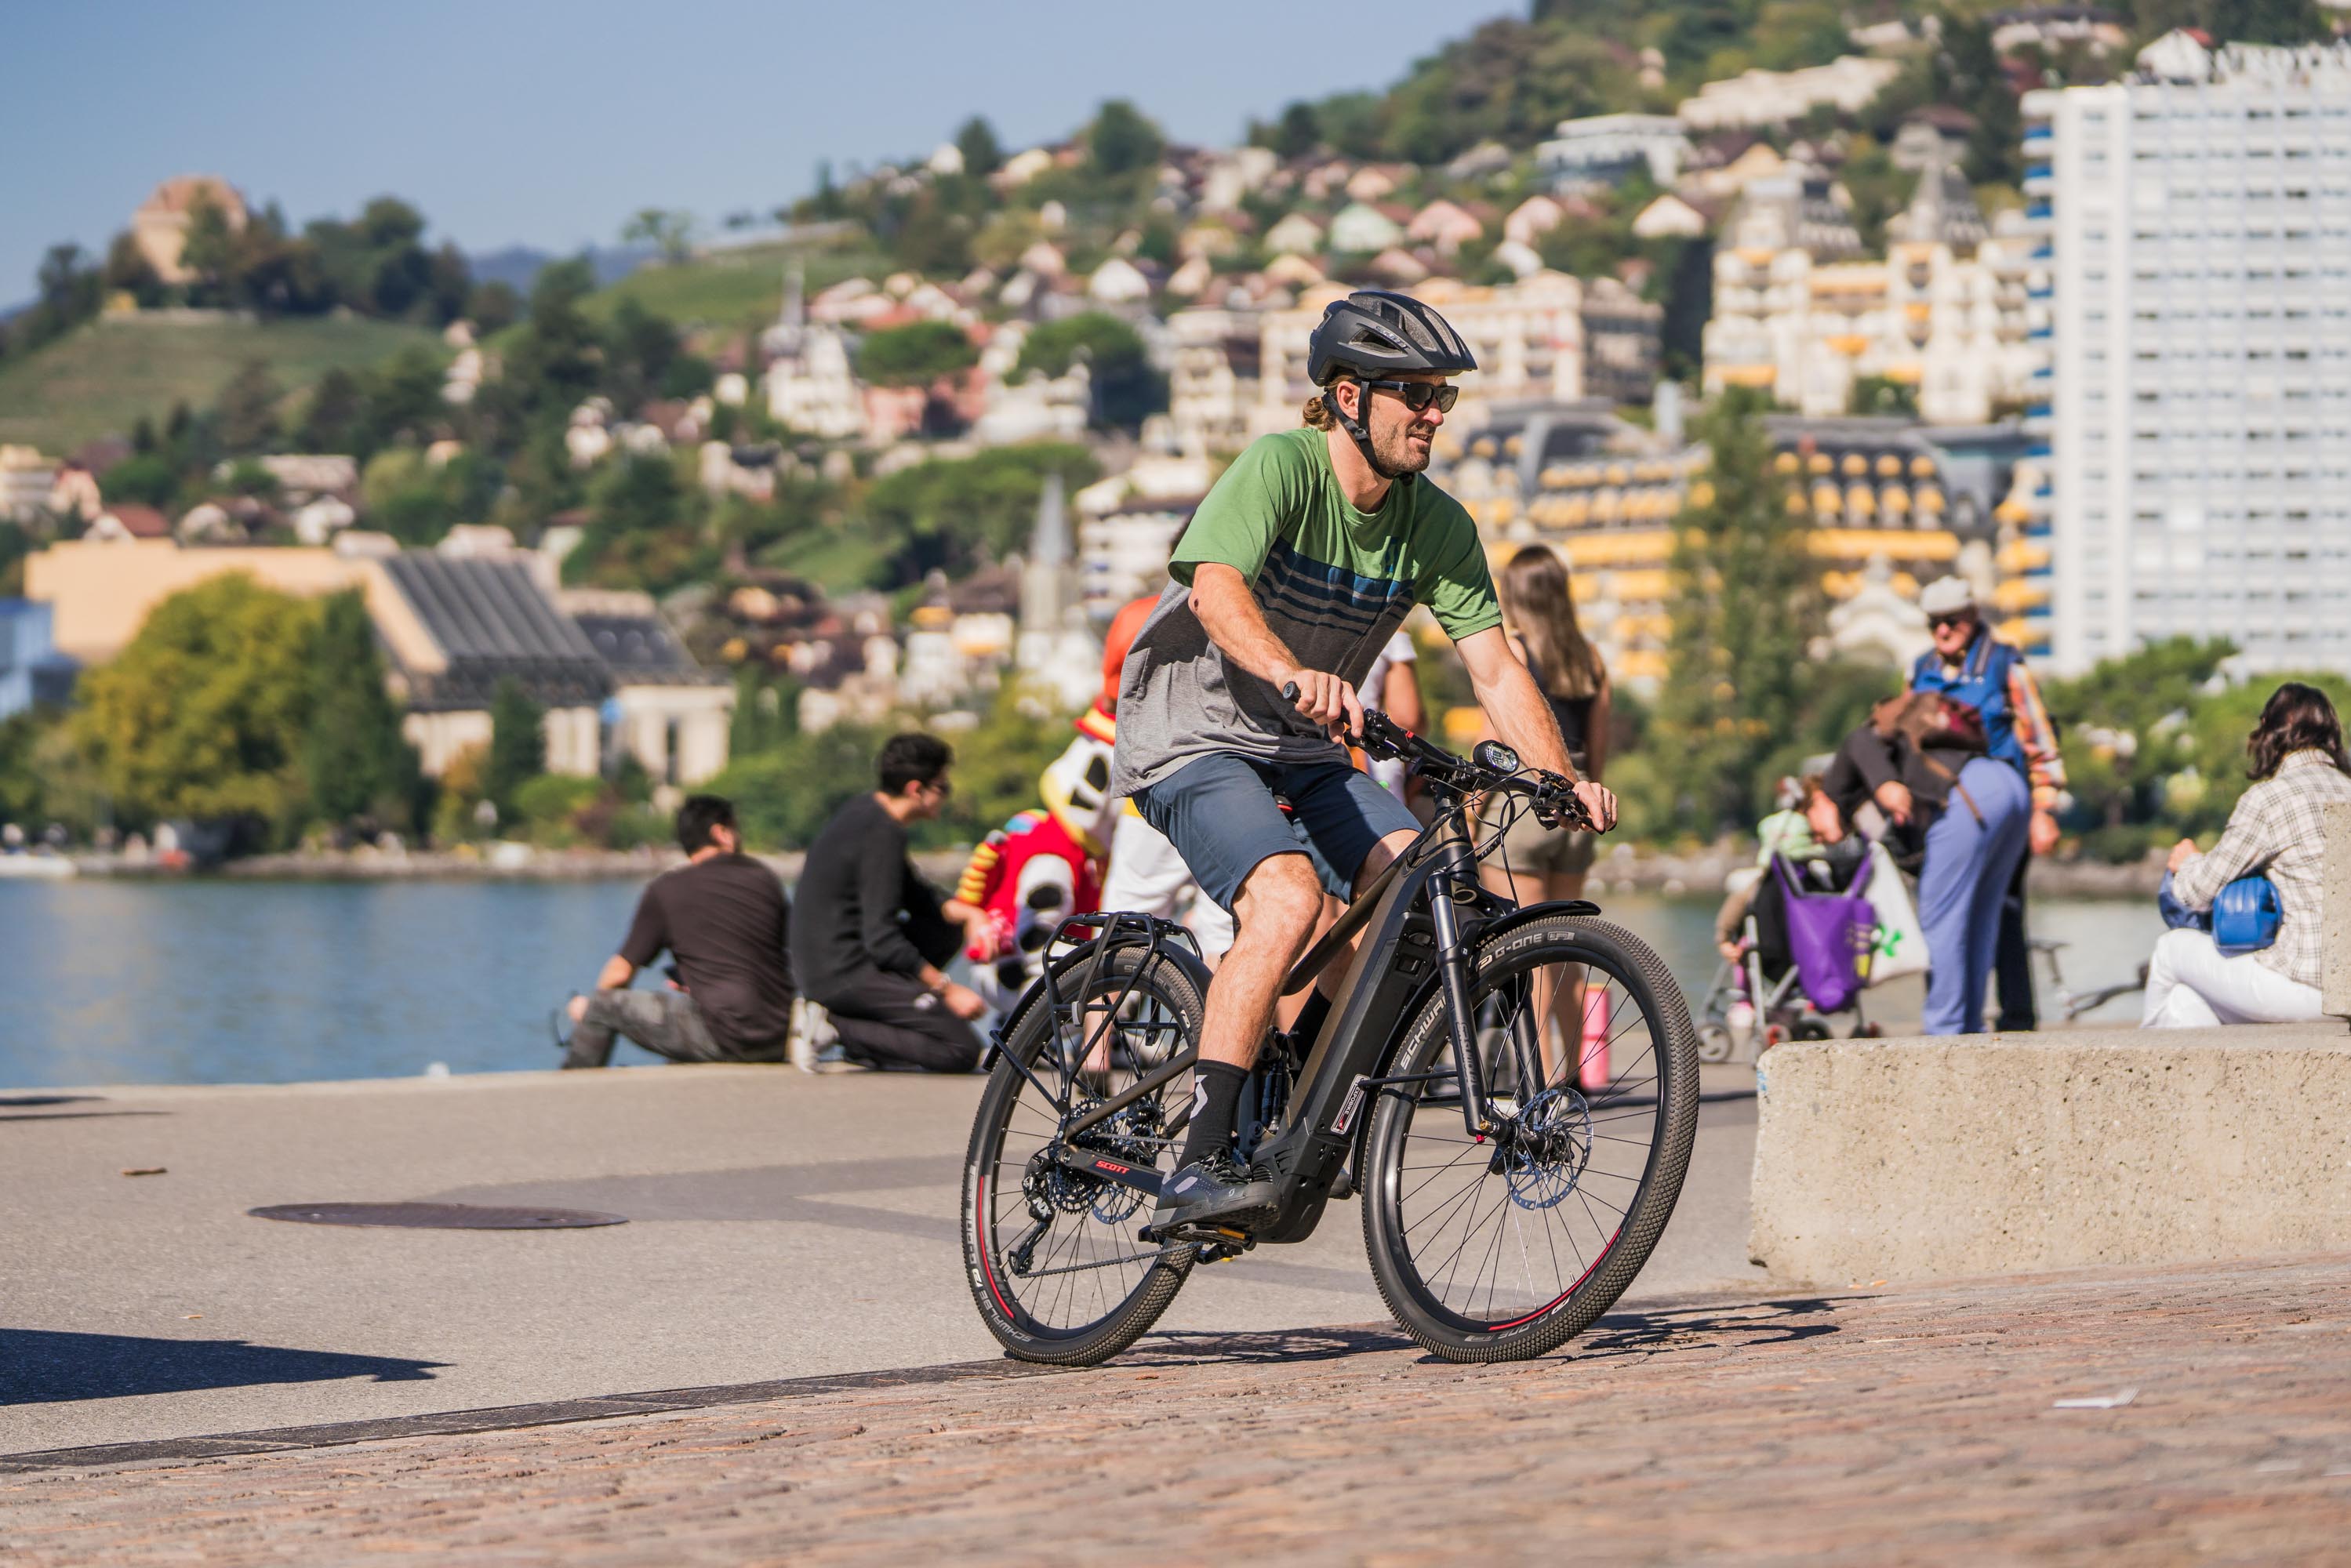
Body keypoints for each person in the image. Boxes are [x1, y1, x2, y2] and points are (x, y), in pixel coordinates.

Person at [1110, 288, 1617, 1232]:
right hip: (1194, 733)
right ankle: (1197, 1160)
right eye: (1414, 394)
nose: (1433, 414)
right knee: (1288, 898)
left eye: (1442, 397)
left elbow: (1495, 666)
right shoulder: (1281, 466)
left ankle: (1288, 1091)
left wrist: (1559, 778)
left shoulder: (1438, 524)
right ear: (1348, 397)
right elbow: (1216, 590)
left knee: (1410, 895)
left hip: (1305, 746)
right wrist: (1288, 670)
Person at [1474, 545, 1611, 1080]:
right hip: (1577, 808)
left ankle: (1541, 1081)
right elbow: (1597, 753)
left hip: (1523, 807)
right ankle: (1576, 1074)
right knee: (1567, 950)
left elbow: (1493, 743)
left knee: (1527, 953)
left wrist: (1470, 817)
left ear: (1513, 595)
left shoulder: (1514, 651)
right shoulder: (1591, 659)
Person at [1910, 576, 2068, 1029]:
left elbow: (2040, 741)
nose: (1943, 631)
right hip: (1943, 805)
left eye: (1951, 621)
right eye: (1934, 623)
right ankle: (1962, 1019)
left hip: (2000, 800)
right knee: (1953, 914)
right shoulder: (1920, 669)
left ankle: (2013, 1017)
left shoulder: (2004, 664)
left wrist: (2044, 810)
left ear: (1973, 616)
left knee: (2003, 908)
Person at [2143, 683, 2351, 1029]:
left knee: (2170, 949)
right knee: (2185, 1000)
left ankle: (2140, 1056)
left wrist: (2187, 861)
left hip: (2311, 988)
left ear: (2270, 732)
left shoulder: (2271, 798)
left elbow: (2196, 893)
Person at [790, 733, 996, 1073]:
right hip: (842, 973)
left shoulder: (865, 812)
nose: (946, 796)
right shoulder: (882, 833)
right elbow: (882, 939)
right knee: (960, 1049)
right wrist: (947, 990)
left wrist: (974, 915)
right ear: (916, 789)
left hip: (829, 965)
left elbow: (918, 896)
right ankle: (832, 1026)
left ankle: (880, 1025)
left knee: (946, 927)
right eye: (943, 787)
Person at [1829, 688, 2026, 1035]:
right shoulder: (1909, 747)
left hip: (1967, 797)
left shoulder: (1839, 776)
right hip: (2008, 786)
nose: (1819, 838)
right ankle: (1968, 1027)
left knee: (1941, 921)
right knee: (1980, 918)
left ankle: (1944, 1030)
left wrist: (1885, 784)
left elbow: (1860, 742)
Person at [561, 795, 798, 1069]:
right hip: (777, 1035)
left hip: (726, 1036)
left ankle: (570, 1086)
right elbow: (784, 955)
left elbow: (619, 974)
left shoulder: (667, 889)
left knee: (602, 1005)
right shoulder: (765, 879)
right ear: (721, 833)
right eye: (736, 828)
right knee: (691, 1012)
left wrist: (587, 1010)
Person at [1096, 592, 1236, 960]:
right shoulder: (1255, 610)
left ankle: (1108, 1000)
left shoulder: (1139, 614)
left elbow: (1112, 697)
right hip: (1237, 785)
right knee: (1224, 934)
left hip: (1157, 776)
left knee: (1126, 929)